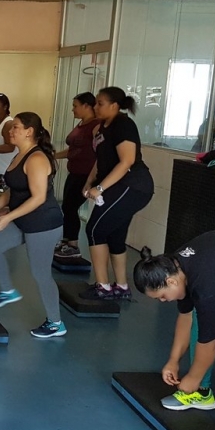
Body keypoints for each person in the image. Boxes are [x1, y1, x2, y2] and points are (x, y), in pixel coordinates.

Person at [0, 112, 66, 339]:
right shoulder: (19, 155)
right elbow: (13, 192)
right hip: (23, 219)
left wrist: (8, 216)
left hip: (43, 224)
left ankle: (56, 323)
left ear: (29, 131)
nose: (11, 131)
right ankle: (7, 290)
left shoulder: (37, 158)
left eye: (16, 127)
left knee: (41, 274)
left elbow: (38, 197)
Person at [133, 235, 215, 412]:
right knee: (198, 314)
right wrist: (173, 361)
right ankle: (202, 392)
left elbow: (211, 341)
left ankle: (201, 391)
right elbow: (186, 316)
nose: (163, 301)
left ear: (171, 282)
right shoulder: (176, 267)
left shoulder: (206, 288)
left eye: (162, 296)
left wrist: (193, 378)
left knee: (207, 321)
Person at [80, 86, 154, 301]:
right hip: (119, 187)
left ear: (114, 106)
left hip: (133, 185)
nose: (95, 107)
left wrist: (100, 188)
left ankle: (103, 286)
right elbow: (100, 160)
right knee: (114, 234)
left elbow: (127, 161)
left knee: (95, 229)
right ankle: (121, 286)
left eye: (100, 103)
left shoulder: (124, 125)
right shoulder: (101, 127)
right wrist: (89, 182)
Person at [53, 92, 103, 259]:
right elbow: (73, 150)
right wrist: (53, 156)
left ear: (86, 106)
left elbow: (101, 152)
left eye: (75, 106)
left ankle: (73, 245)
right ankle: (67, 241)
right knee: (67, 207)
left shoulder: (96, 126)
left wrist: (93, 179)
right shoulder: (81, 124)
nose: (72, 109)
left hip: (86, 175)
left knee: (70, 207)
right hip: (74, 173)